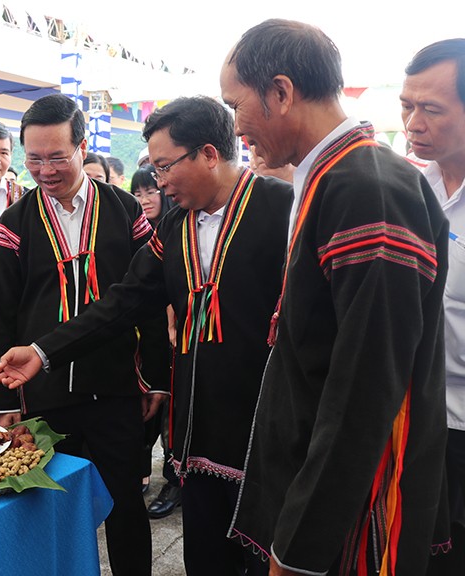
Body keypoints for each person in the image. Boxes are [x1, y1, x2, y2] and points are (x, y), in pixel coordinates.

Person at [0, 95, 292, 575]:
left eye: (165, 166)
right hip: (198, 418)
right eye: (34, 158)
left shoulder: (282, 208)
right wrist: (42, 353)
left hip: (264, 415)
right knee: (206, 551)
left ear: (209, 153)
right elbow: (124, 301)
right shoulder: (175, 223)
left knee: (267, 545)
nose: (159, 182)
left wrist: (151, 375)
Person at [217, 19, 449, 574]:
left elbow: (367, 385)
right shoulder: (332, 176)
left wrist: (301, 544)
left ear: (281, 91)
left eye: (236, 104)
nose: (237, 126)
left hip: (358, 511)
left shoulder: (366, 188)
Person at [0, 93, 171, 576]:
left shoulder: (124, 208)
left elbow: (147, 300)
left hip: (115, 386)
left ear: (82, 147)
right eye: (34, 159)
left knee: (126, 500)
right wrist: (3, 402)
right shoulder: (15, 221)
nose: (45, 169)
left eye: (57, 157)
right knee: (53, 507)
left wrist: (155, 376)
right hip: (43, 394)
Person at [401, 38, 465, 574]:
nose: (413, 123)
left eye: (431, 109)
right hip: (415, 419)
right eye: (407, 106)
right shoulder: (409, 191)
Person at [130, 164, 180, 518]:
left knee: (174, 418)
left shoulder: (177, 224)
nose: (146, 197)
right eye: (139, 192)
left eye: (151, 190)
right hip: (150, 337)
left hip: (181, 337)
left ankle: (176, 481)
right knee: (151, 414)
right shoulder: (142, 233)